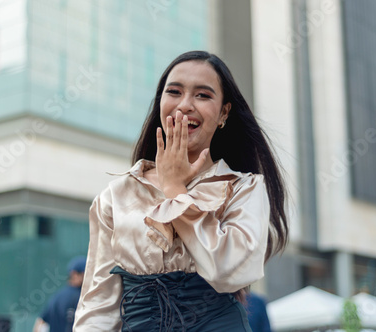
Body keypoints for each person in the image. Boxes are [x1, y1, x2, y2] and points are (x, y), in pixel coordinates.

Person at [73, 50, 289, 332]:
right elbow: (98, 309)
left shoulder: (245, 189)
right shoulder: (117, 195)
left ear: (224, 112)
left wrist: (176, 192)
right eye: (174, 92)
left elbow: (228, 272)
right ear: (160, 102)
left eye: (203, 95)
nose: (185, 105)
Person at [33, 256, 87, 332]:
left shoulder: (57, 297)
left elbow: (40, 323)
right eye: (85, 273)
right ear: (74, 274)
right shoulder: (82, 296)